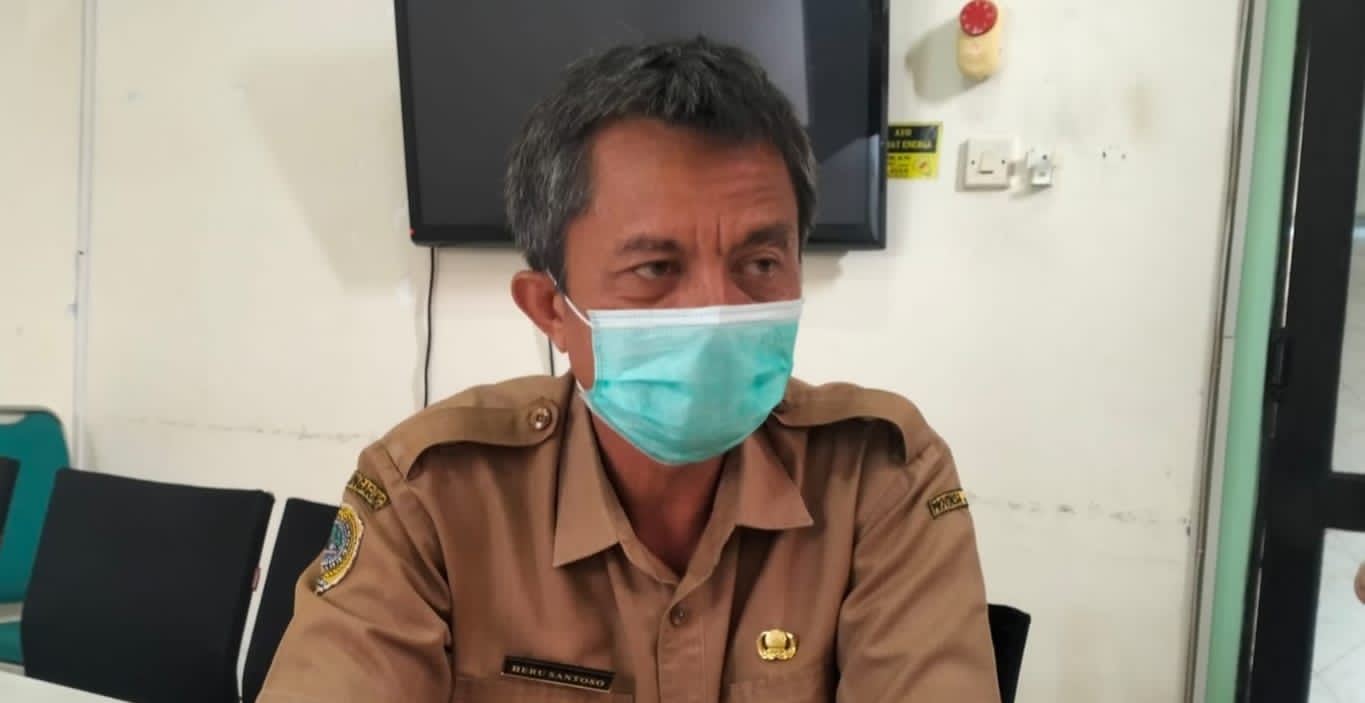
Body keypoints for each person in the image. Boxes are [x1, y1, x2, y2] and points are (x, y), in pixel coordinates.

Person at [259, 37, 999, 703]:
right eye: (655, 268)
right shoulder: (432, 495)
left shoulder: (879, 477)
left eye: (759, 262)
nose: (716, 312)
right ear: (551, 309)